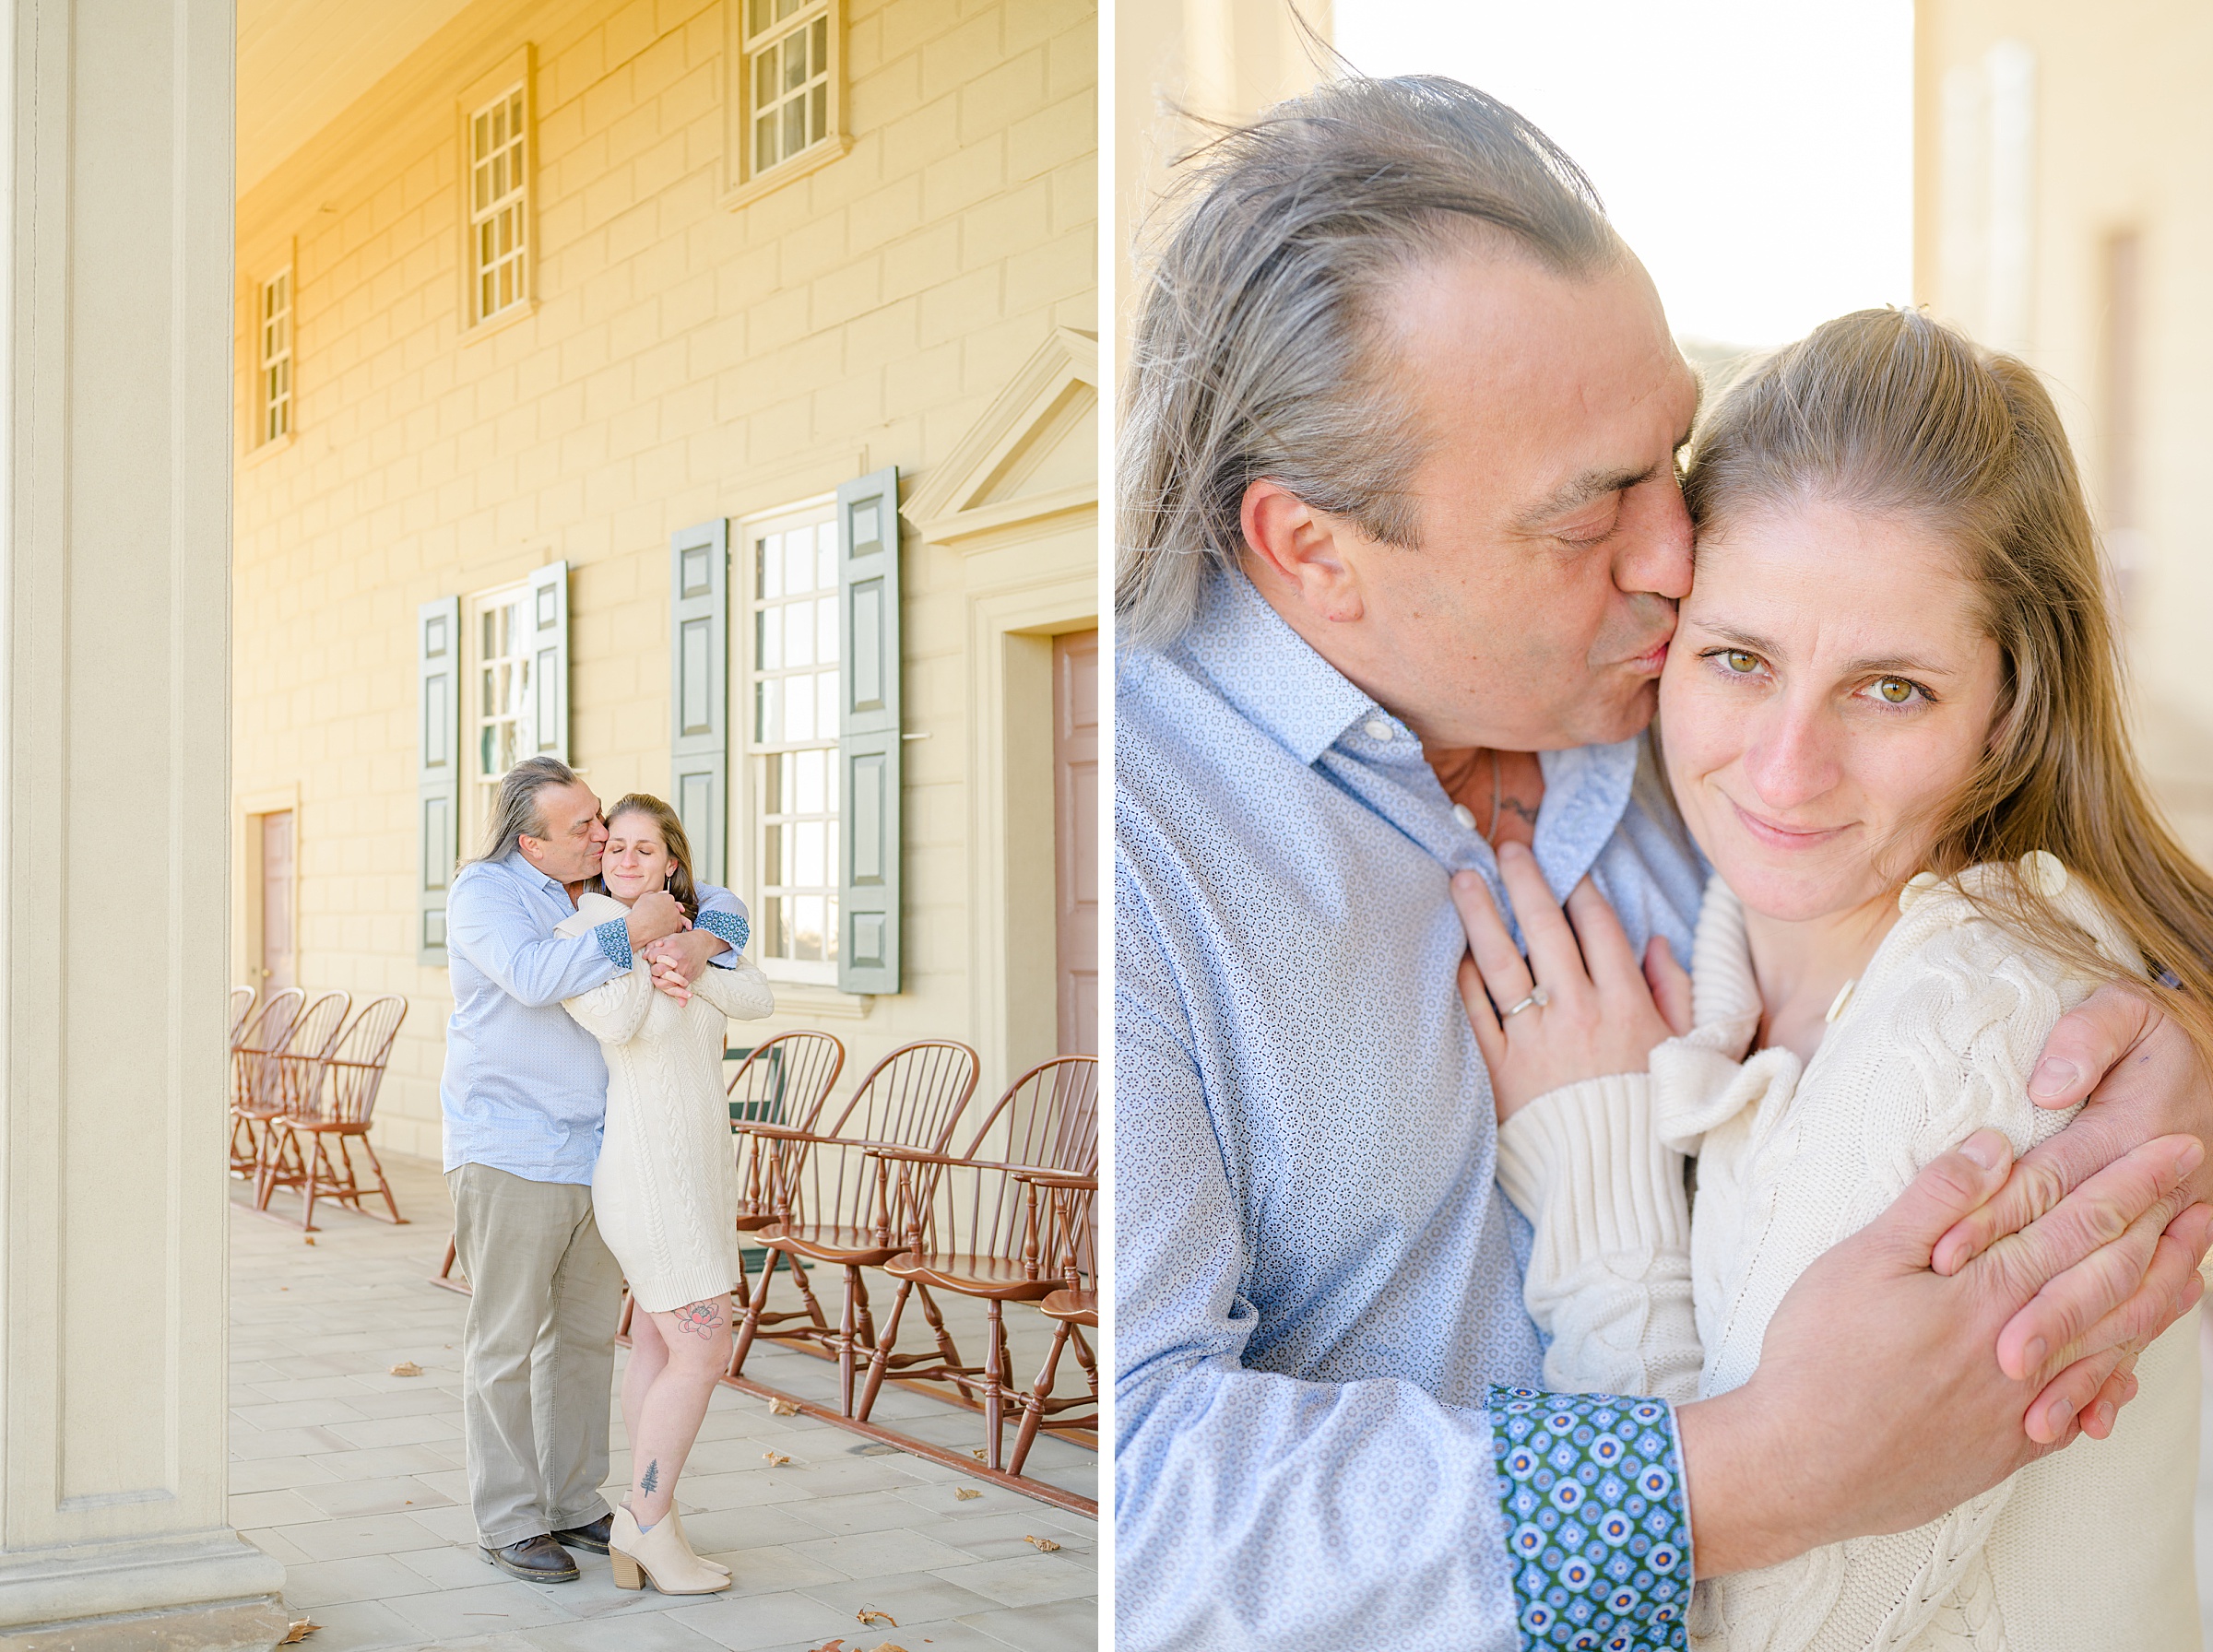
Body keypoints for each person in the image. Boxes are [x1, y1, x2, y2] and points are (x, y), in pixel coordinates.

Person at [1112, 77, 2213, 1649]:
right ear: (1315, 550)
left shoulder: (1676, 702)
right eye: (1589, 514)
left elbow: (2003, 831)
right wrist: (1729, 1479)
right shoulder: (1153, 840)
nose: (1677, 558)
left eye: (1669, 455)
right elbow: (1141, 1502)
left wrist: (2174, 1032)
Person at [1465, 307, 2213, 1648]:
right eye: (1738, 660)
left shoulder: (1992, 1043)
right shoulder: (1735, 956)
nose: (1785, 771)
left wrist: (1593, 1170)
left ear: (2012, 704)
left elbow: (1721, 1628)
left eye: (1891, 690)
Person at [442, 755, 751, 1583]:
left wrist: (700, 933)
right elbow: (537, 977)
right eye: (585, 827)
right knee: (505, 1342)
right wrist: (642, 929)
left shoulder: (591, 889)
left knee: (582, 1340)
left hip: (599, 1152)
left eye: (602, 818)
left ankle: (577, 1503)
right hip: (510, 1146)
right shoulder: (486, 894)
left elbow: (717, 897)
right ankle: (510, 1519)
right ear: (532, 843)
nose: (604, 835)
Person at [553, 794, 774, 1595]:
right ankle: (646, 1523)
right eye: (616, 847)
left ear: (673, 861)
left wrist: (689, 949)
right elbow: (613, 1021)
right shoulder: (583, 932)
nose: (627, 860)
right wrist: (646, 947)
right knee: (706, 1343)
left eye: (647, 849)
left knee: (658, 1343)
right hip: (646, 1174)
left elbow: (757, 999)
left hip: (701, 1168)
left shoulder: (701, 932)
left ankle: (650, 1521)